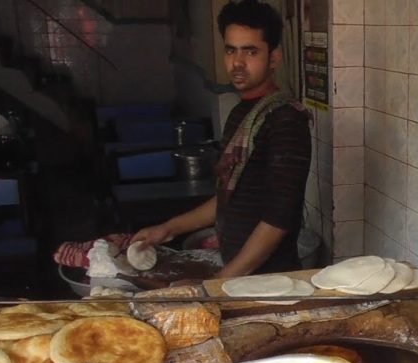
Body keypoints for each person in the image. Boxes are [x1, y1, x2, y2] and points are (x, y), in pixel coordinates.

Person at [132, 0, 311, 278]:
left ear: (273, 58)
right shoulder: (241, 112)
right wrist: (168, 229)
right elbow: (227, 198)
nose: (237, 63)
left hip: (269, 282)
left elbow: (279, 218)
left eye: (250, 51)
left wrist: (223, 281)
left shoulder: (286, 120)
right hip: (240, 276)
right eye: (231, 50)